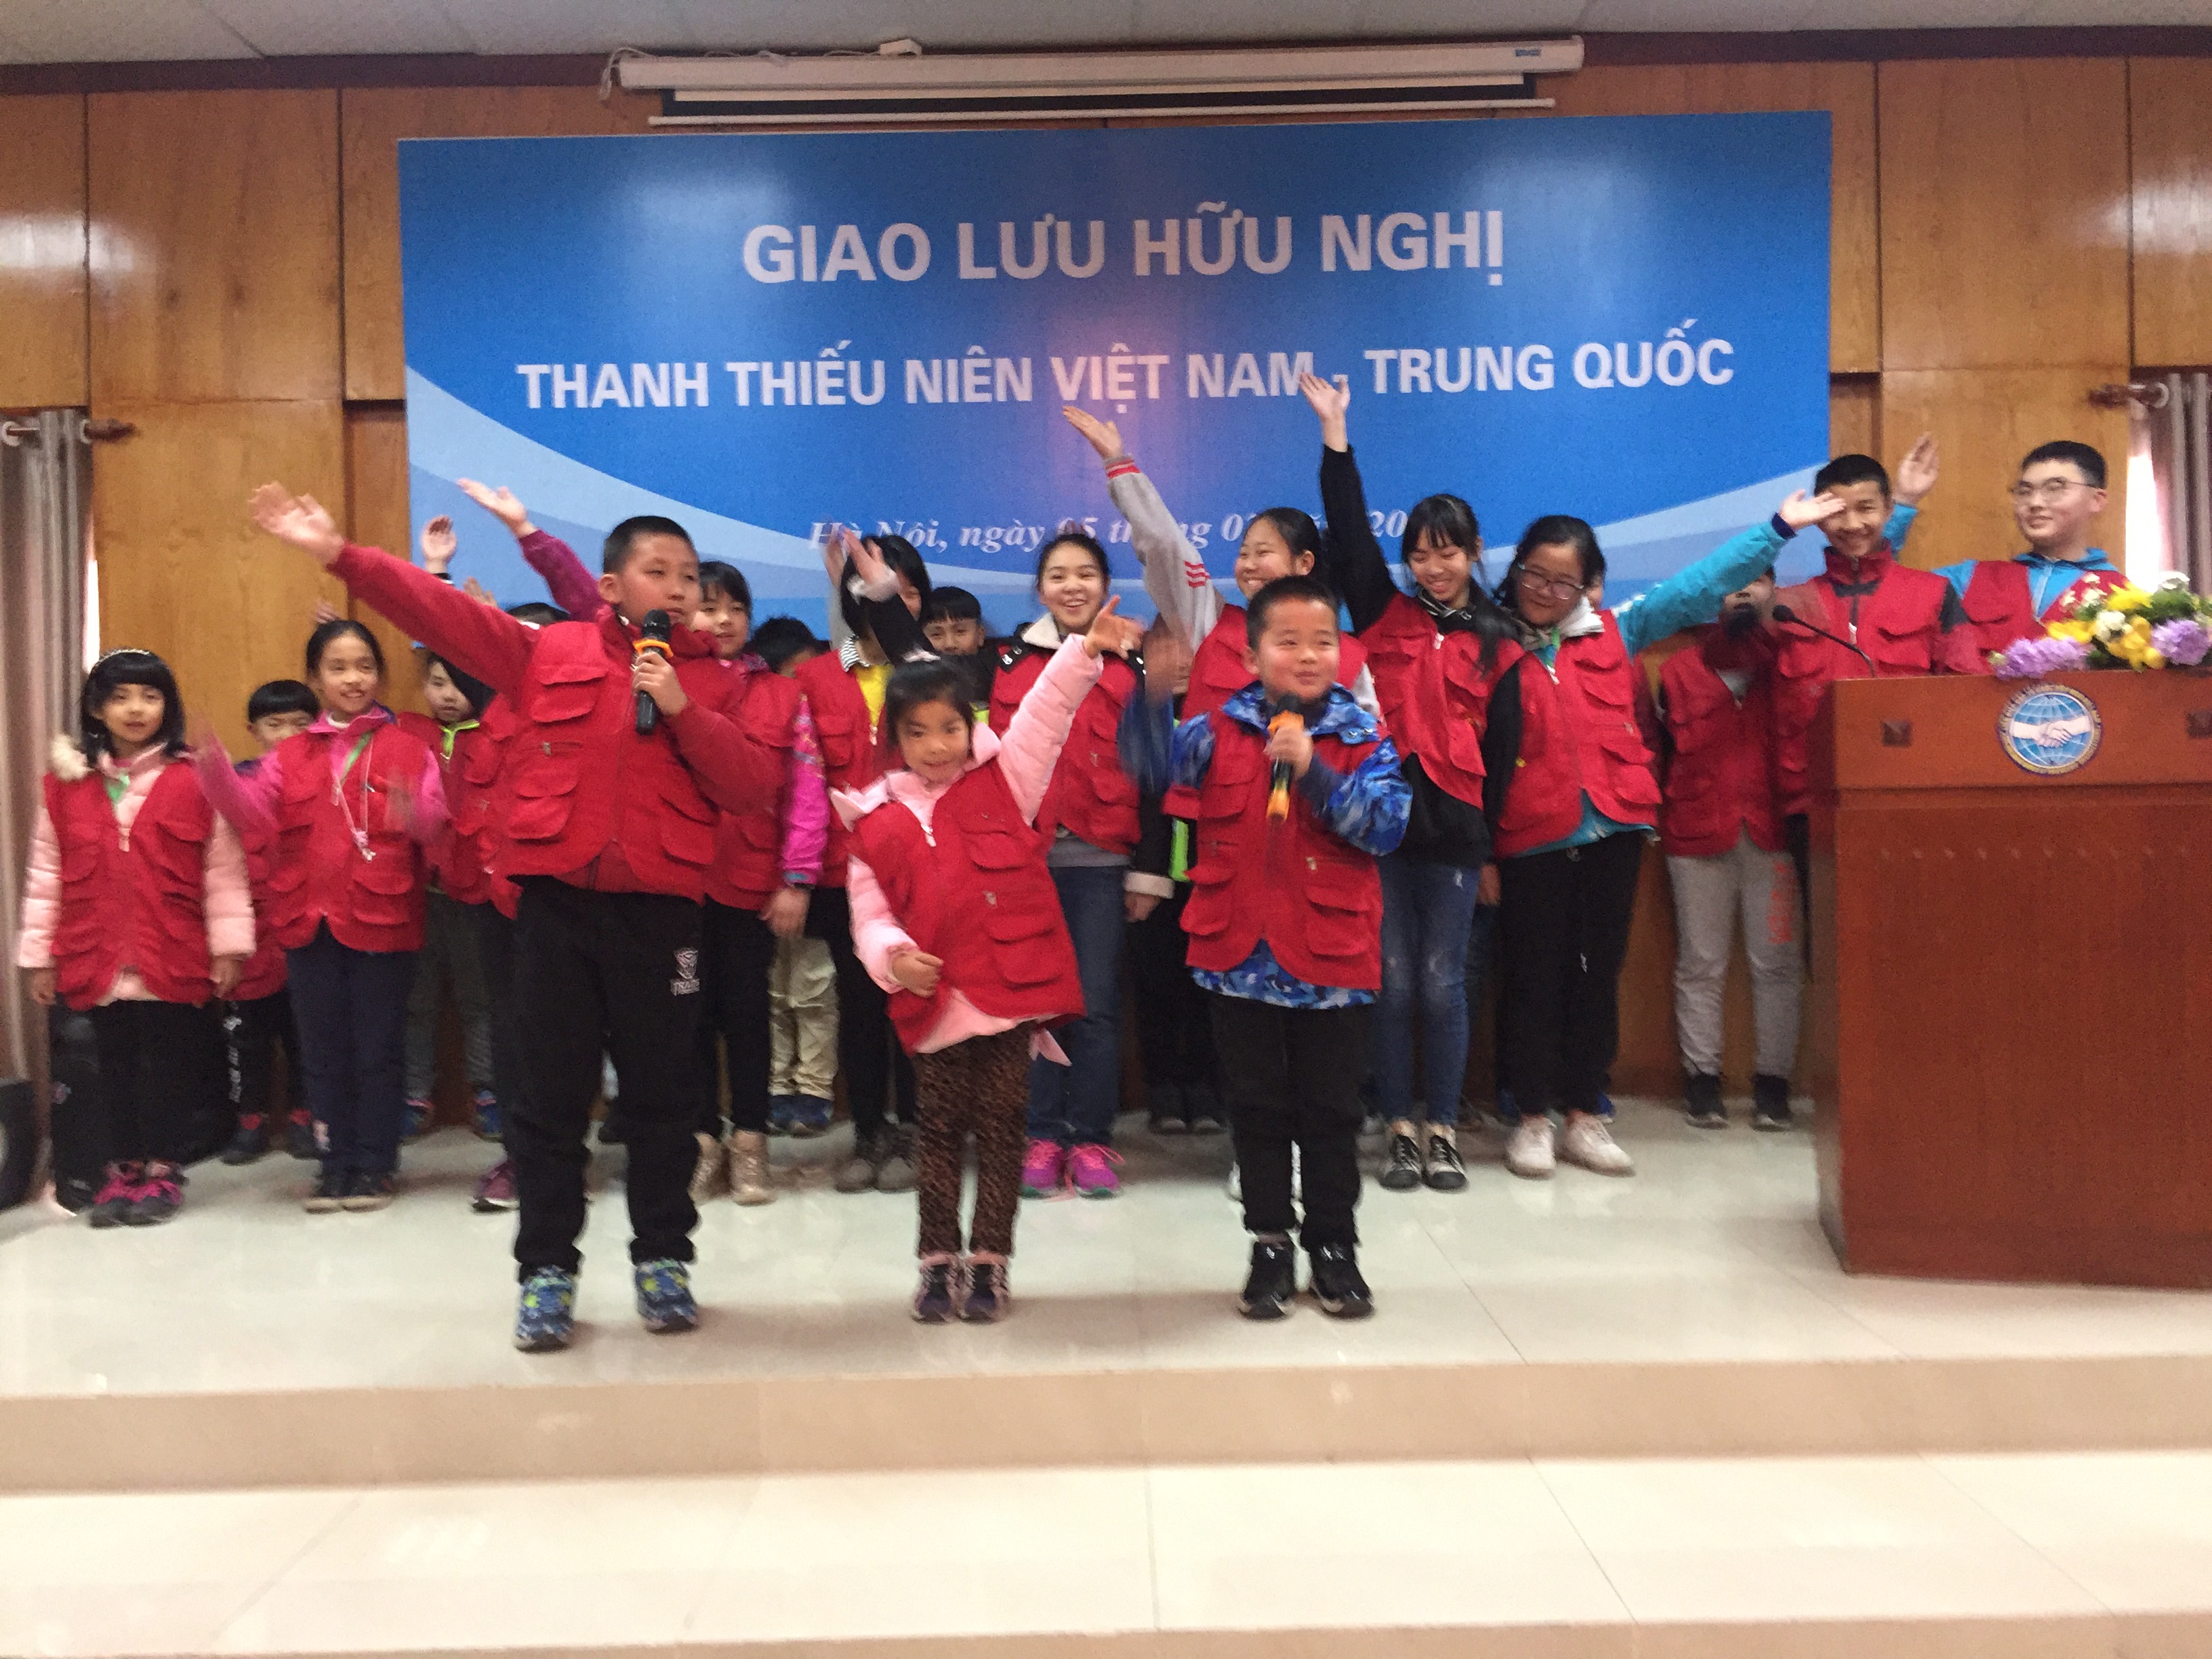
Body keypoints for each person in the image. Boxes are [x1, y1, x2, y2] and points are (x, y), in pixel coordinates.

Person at [244, 483, 780, 1353]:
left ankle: (664, 1258)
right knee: (547, 1102)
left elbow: (753, 789)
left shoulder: (717, 679)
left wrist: (681, 708)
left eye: (689, 575)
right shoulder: (547, 651)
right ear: (611, 587)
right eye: (660, 572)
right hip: (555, 911)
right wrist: (341, 554)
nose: (681, 589)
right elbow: (437, 613)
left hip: (661, 920)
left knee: (664, 1100)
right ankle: (546, 1271)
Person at [1483, 491, 1849, 1181]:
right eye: (1534, 574)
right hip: (1529, 836)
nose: (1544, 591)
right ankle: (1531, 1118)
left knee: (1597, 978)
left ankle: (1583, 1115)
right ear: (1516, 569)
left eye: (1563, 581)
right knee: (1532, 980)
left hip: (1613, 832)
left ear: (1588, 586)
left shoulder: (1617, 631)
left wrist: (1776, 530)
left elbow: (1700, 585)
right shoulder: (1489, 643)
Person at [844, 600, 1145, 1322]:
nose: (937, 745)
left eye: (950, 728)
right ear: (896, 738)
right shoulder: (875, 819)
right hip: (937, 1009)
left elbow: (1043, 717)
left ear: (971, 724)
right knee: (939, 1135)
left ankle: (990, 1261)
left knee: (1006, 1133)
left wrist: (1082, 653)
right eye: (918, 732)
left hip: (1008, 1001)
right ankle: (935, 1261)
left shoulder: (1006, 780)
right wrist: (893, 959)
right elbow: (870, 915)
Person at [1121, 575, 1410, 1321]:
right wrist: (1149, 699)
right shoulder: (1215, 730)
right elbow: (1149, 770)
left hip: (1332, 959)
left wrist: (1315, 770)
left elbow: (1386, 827)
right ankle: (1270, 1243)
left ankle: (1335, 1246)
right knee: (1255, 1108)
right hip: (1238, 957)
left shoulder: (1364, 734)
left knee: (1331, 1110)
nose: (1308, 656)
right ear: (1252, 657)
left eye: (1323, 642)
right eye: (1288, 642)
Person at [1303, 373, 1519, 1195]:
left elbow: (1506, 751)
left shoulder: (1501, 638)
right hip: (1382, 830)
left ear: (1473, 552)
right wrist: (1336, 435)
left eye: (1448, 552)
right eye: (1421, 553)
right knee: (1391, 983)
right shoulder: (1382, 613)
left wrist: (1492, 850)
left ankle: (1443, 1128)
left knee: (1444, 983)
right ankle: (1398, 1125)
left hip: (1458, 835)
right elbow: (1350, 532)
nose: (1433, 567)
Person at [199, 617, 443, 1212]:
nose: (352, 679)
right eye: (337, 668)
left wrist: (416, 814)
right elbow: (253, 816)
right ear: (315, 679)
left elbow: (437, 829)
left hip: (383, 919)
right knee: (323, 1051)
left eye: (364, 666)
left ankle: (375, 1165)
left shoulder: (408, 747)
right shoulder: (289, 754)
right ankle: (334, 1165)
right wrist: (217, 777)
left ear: (380, 675)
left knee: (378, 1049)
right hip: (308, 922)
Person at [16, 651, 253, 1227]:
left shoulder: (193, 779)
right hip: (94, 953)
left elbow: (222, 873)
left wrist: (228, 949)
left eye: (149, 696)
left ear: (167, 706)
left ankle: (163, 1170)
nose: (136, 709)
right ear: (97, 709)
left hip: (169, 951)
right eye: (120, 697)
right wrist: (41, 959)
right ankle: (122, 1171)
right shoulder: (65, 785)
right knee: (112, 1070)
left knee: (167, 1069)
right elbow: (46, 877)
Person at [980, 532, 1149, 1200]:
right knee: (1034, 1004)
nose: (1072, 586)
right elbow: (893, 657)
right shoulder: (1005, 660)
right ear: (1039, 588)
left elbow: (1155, 773)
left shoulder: (1134, 664)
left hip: (1104, 859)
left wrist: (1149, 872)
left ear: (1107, 585)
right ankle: (1042, 1134)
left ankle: (1092, 1138)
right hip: (1025, 862)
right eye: (1058, 575)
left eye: (1086, 574)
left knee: (1097, 1006)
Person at [1772, 443, 1965, 902]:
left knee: (1909, 925)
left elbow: (1965, 695)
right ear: (1819, 517)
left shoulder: (1935, 593)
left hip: (1909, 798)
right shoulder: (1788, 605)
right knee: (1826, 933)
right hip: (1812, 804)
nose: (1853, 524)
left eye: (1866, 509)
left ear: (1889, 510)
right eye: (1838, 512)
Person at [802, 529, 931, 1194]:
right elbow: (802, 783)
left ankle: (916, 1129)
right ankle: (868, 1132)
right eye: (884, 590)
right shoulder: (817, 677)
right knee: (857, 1005)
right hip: (845, 872)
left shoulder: (929, 674)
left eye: (908, 592)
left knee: (915, 997)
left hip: (919, 868)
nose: (896, 602)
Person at [1651, 567, 1800, 1132]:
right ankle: (1702, 1082)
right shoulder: (1675, 672)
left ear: (1773, 591)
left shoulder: (1789, 662)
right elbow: (1659, 753)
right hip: (1695, 836)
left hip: (1773, 836)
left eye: (1755, 581)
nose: (1742, 591)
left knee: (1777, 964)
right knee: (1700, 964)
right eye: (1732, 582)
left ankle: (1773, 1086)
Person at [396, 648, 501, 1145]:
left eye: (460, 684)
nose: (448, 696)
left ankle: (489, 1093)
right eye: (438, 683)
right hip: (417, 894)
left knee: (479, 1000)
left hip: (476, 895)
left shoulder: (494, 737)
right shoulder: (409, 733)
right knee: (416, 1001)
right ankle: (414, 1095)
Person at [218, 678, 319, 1165]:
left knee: (307, 1035)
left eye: (301, 724)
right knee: (248, 1038)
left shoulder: (327, 780)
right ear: (254, 731)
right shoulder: (238, 787)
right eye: (275, 725)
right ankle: (250, 1121)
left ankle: (305, 1117)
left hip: (306, 931)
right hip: (252, 933)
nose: (288, 735)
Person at [750, 617, 840, 1139]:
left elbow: (811, 807)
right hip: (753, 880)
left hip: (809, 881)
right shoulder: (756, 716)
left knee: (812, 990)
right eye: (793, 677)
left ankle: (814, 1089)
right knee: (771, 993)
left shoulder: (817, 727)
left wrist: (798, 878)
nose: (804, 689)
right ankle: (777, 1086)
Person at [1935, 441, 2123, 655]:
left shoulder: (2121, 596)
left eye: (2054, 489)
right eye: (2024, 491)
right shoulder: (1969, 578)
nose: (2035, 503)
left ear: (2096, 500)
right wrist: (1907, 502)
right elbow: (1902, 590)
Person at [920, 586, 996, 714]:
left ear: (980, 635)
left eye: (960, 631)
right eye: (936, 634)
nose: (950, 644)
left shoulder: (999, 678)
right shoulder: (911, 682)